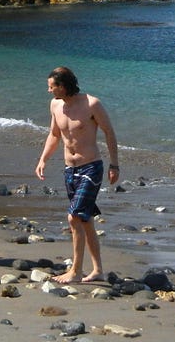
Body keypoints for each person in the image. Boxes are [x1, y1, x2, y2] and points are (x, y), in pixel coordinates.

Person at [36, 66, 120, 284]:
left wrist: (114, 165)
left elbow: (109, 132)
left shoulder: (92, 104)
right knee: (85, 220)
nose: (49, 91)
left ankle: (75, 271)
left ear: (63, 86)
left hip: (91, 167)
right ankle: (98, 270)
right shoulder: (55, 105)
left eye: (51, 87)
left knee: (73, 217)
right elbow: (55, 134)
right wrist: (43, 159)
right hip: (69, 169)